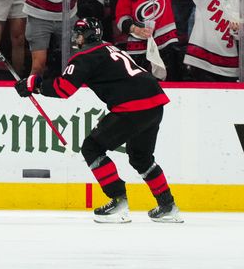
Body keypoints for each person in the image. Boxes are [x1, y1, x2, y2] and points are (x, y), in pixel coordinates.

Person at [15, 18, 182, 223]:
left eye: (80, 34)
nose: (76, 38)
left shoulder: (85, 56)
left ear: (90, 36)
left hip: (133, 106)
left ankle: (118, 200)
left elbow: (63, 89)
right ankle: (168, 205)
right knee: (141, 157)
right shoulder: (108, 48)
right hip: (154, 102)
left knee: (92, 147)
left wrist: (35, 85)